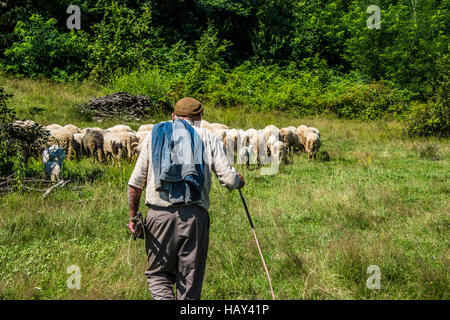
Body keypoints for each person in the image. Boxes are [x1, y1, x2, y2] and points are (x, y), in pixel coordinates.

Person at [127, 97, 245, 300]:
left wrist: (133, 215)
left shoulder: (154, 135)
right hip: (193, 218)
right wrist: (239, 181)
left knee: (158, 274)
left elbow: (135, 184)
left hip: (158, 217)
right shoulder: (207, 137)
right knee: (189, 280)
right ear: (199, 117)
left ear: (173, 116)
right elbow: (228, 178)